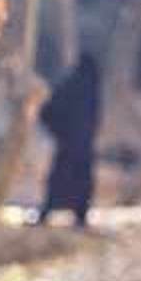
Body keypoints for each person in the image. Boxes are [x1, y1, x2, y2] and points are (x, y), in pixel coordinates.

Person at [35, 53, 101, 228]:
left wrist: (60, 133)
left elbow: (48, 110)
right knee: (75, 183)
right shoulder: (88, 87)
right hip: (80, 147)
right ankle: (77, 217)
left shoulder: (73, 84)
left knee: (59, 181)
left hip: (69, 146)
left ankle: (50, 214)